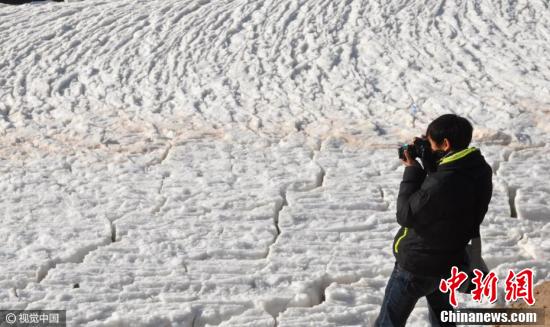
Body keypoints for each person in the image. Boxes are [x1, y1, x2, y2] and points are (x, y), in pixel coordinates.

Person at [374, 114, 493, 326]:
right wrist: (431, 163)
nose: (426, 147)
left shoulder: (440, 183)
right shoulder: (478, 169)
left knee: (389, 322)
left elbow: (406, 214)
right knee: (443, 319)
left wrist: (412, 169)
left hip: (416, 267)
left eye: (430, 142)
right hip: (449, 262)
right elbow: (447, 200)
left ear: (445, 144)